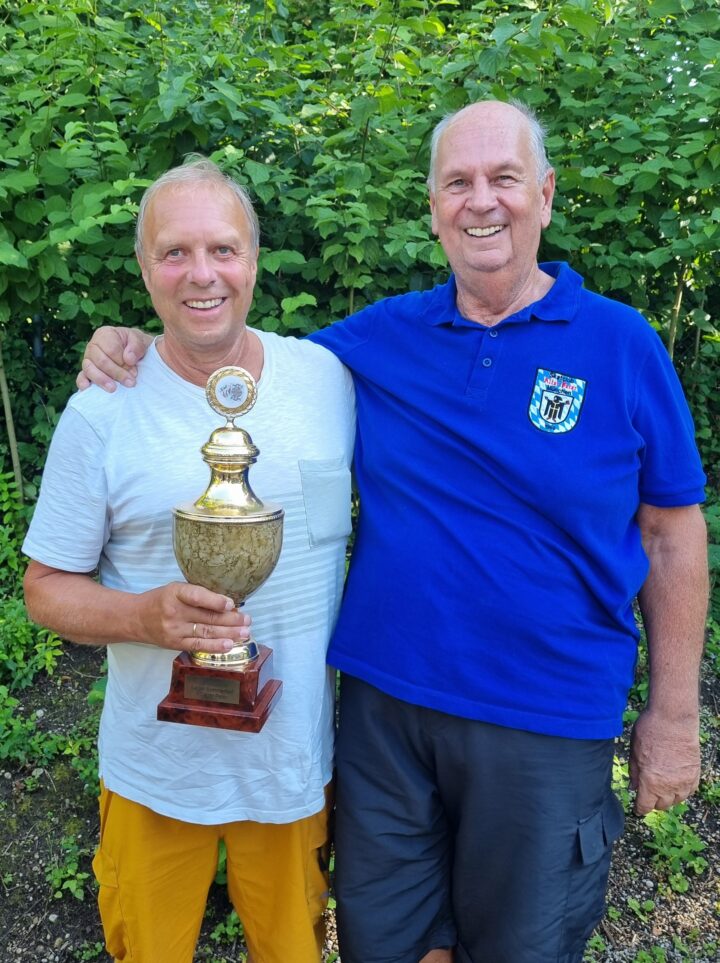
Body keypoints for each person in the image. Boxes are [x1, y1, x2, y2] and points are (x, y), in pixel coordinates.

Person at [77, 101, 708, 963]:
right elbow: (238, 361)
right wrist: (132, 345)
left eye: (504, 178)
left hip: (546, 717)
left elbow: (673, 535)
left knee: (521, 948)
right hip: (385, 715)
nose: (481, 201)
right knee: (389, 945)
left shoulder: (623, 345)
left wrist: (676, 713)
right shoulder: (376, 342)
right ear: (434, 207)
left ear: (547, 196)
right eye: (458, 182)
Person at [23, 158, 355, 963]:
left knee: (295, 952)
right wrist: (144, 614)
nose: (201, 273)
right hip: (153, 768)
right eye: (174, 253)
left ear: (254, 257)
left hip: (291, 761)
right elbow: (44, 589)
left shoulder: (330, 380)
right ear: (144, 269)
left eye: (223, 249)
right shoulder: (102, 410)